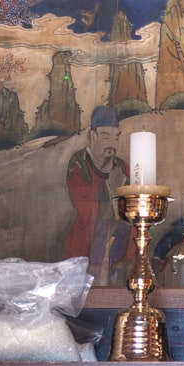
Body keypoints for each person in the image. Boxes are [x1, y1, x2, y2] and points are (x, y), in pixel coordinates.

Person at [64, 105, 131, 284]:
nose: (112, 143)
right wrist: (109, 187)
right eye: (106, 136)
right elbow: (82, 201)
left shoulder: (121, 166)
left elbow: (132, 199)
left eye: (115, 137)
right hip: (89, 232)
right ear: (93, 136)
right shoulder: (79, 163)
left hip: (119, 234)